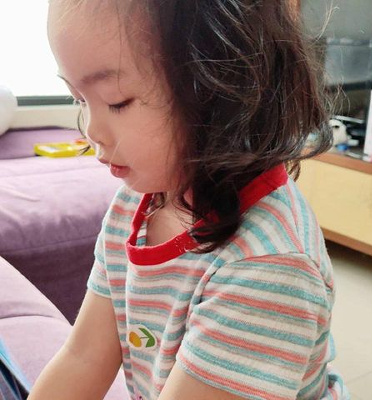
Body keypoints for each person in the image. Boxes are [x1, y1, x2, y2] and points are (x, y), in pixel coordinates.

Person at [28, 0, 350, 399]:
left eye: (116, 100)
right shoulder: (136, 204)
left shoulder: (268, 265)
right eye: (78, 98)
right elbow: (83, 356)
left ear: (221, 86)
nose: (91, 130)